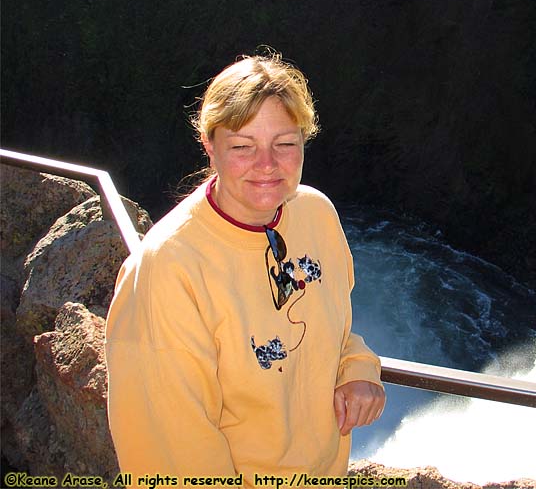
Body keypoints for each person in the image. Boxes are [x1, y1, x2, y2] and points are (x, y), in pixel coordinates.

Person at [105, 51, 385, 484]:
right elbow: (173, 457)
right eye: (242, 146)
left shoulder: (316, 215)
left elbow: (334, 330)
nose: (267, 165)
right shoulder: (169, 269)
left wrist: (359, 371)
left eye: (285, 143)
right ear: (209, 145)